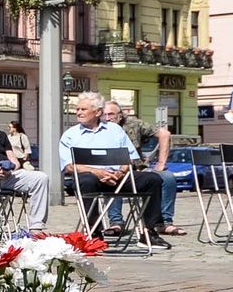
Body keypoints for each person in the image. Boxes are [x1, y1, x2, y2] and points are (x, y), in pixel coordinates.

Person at [59, 92, 169, 248]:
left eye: (83, 109)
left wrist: (120, 173)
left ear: (98, 112)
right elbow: (69, 166)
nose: (78, 113)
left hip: (119, 178)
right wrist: (98, 172)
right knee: (86, 180)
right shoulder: (70, 135)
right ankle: (94, 231)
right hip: (91, 178)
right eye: (77, 109)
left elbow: (129, 158)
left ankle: (149, 232)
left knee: (152, 179)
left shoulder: (115, 130)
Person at [103, 101, 181, 236]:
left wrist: (161, 163)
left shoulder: (133, 124)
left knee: (167, 177)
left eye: (111, 114)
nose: (107, 118)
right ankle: (116, 222)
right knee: (113, 177)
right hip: (112, 170)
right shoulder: (98, 128)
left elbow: (164, 134)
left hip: (137, 169)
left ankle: (164, 222)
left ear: (120, 115)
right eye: (104, 115)